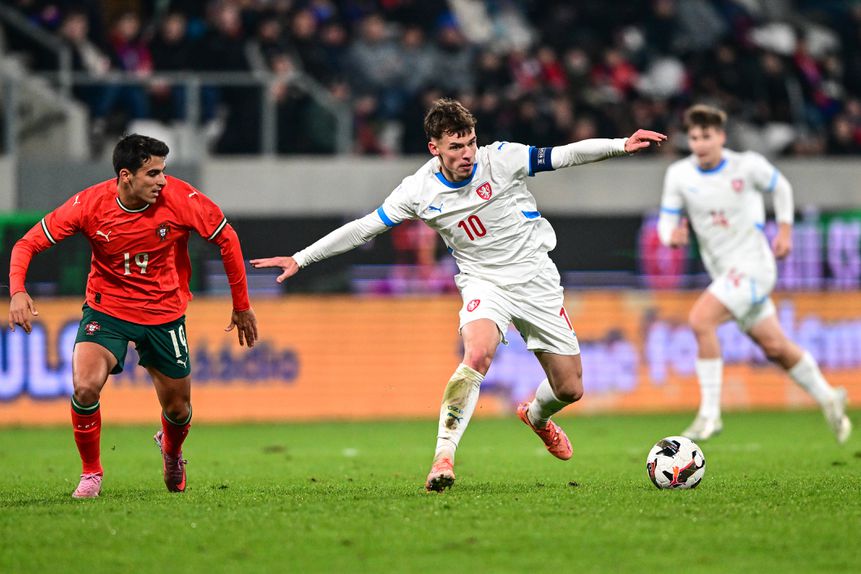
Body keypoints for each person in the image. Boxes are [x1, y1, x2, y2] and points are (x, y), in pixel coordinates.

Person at [251, 98, 665, 491]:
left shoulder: (500, 158)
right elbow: (363, 228)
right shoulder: (418, 190)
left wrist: (620, 145)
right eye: (455, 146)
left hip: (535, 278)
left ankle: (535, 416)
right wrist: (301, 258)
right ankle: (443, 458)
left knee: (570, 387)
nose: (467, 153)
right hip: (484, 281)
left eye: (470, 142)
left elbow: (564, 155)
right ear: (434, 148)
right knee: (477, 354)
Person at [7, 134, 258, 498]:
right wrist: (17, 289)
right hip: (107, 309)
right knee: (85, 386)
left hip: (164, 313)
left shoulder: (182, 199)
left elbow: (227, 238)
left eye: (164, 172)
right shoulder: (89, 204)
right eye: (153, 173)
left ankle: (171, 451)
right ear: (126, 176)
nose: (162, 181)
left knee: (178, 408)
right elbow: (27, 243)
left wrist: (241, 304)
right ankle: (91, 473)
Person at [657, 104, 851, 443]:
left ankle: (709, 415)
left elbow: (782, 188)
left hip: (754, 266)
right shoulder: (679, 174)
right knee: (775, 346)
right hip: (725, 273)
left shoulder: (746, 166)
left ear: (721, 136)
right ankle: (828, 396)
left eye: (706, 136)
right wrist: (669, 236)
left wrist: (786, 232)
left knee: (701, 320)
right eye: (693, 137)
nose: (699, 143)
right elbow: (666, 219)